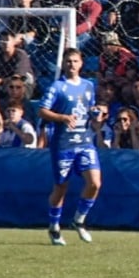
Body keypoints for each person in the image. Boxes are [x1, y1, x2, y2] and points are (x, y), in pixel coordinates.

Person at [37, 48, 101, 246]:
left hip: (84, 142)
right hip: (63, 144)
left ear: (81, 63)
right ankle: (54, 227)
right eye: (68, 61)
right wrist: (62, 117)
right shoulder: (57, 87)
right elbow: (42, 111)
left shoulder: (89, 86)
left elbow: (89, 110)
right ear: (63, 64)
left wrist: (96, 114)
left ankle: (79, 220)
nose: (72, 65)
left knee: (95, 184)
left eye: (75, 61)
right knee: (61, 187)